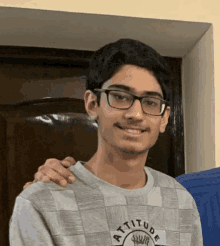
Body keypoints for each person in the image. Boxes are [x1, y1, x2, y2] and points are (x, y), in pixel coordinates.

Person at [10, 38, 203, 246]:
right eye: (120, 96)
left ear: (164, 118)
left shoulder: (181, 200)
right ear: (93, 104)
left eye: (150, 102)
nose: (136, 114)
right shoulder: (41, 203)